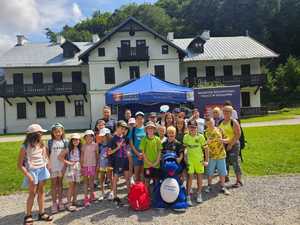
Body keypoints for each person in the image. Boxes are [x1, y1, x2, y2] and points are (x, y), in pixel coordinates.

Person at [18, 124, 53, 225]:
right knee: (32, 193)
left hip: (42, 170)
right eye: (40, 133)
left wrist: (48, 166)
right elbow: (20, 165)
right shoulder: (24, 147)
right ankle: (28, 215)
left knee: (41, 192)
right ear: (34, 135)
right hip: (32, 172)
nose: (42, 134)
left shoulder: (42, 144)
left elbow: (45, 157)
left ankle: (41, 213)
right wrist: (28, 175)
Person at [183, 119, 209, 206]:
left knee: (199, 177)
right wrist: (185, 157)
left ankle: (199, 193)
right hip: (190, 161)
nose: (192, 129)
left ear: (197, 128)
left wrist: (206, 160)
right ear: (188, 128)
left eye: (194, 127)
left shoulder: (201, 137)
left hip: (199, 161)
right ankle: (188, 196)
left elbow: (206, 148)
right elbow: (185, 148)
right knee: (190, 178)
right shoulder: (186, 137)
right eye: (190, 127)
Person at [204, 117, 230, 195]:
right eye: (208, 124)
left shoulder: (220, 130)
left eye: (211, 123)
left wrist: (223, 140)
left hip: (221, 154)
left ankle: (223, 186)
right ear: (206, 124)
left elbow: (228, 138)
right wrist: (206, 142)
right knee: (210, 172)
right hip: (211, 156)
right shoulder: (205, 132)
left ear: (214, 122)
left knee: (222, 172)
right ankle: (209, 185)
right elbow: (203, 144)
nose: (210, 125)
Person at [219, 105, 243, 187]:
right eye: (224, 111)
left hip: (234, 145)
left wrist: (231, 144)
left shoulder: (234, 122)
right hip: (224, 145)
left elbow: (238, 134)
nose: (226, 113)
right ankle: (226, 177)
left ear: (231, 113)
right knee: (225, 162)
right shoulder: (221, 122)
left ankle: (239, 181)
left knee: (235, 162)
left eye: (228, 111)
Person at [108, 121, 130, 206]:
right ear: (117, 127)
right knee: (116, 179)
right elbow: (109, 152)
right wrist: (118, 147)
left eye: (124, 128)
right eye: (121, 128)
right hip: (117, 161)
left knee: (127, 178)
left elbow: (127, 148)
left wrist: (127, 152)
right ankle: (115, 197)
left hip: (125, 160)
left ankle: (129, 195)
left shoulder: (125, 138)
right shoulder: (113, 139)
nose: (123, 130)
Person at [58, 133, 82, 211]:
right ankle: (69, 203)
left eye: (78, 139)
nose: (76, 141)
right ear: (71, 141)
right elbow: (60, 157)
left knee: (76, 185)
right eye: (74, 140)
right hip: (71, 168)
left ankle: (74, 201)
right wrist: (69, 163)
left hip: (77, 167)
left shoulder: (79, 149)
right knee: (71, 186)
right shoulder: (68, 149)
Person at [48, 123, 68, 214]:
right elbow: (47, 155)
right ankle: (54, 203)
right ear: (52, 132)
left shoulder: (65, 142)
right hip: (53, 167)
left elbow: (67, 155)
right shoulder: (50, 142)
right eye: (55, 132)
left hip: (61, 167)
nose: (57, 133)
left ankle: (60, 201)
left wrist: (65, 166)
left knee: (60, 184)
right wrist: (48, 166)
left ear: (62, 131)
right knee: (53, 185)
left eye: (59, 131)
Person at [140, 121, 162, 188]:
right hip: (147, 165)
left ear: (154, 130)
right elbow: (143, 152)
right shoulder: (144, 139)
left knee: (156, 180)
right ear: (146, 130)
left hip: (156, 164)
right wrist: (148, 162)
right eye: (148, 128)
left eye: (152, 128)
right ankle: (146, 196)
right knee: (147, 180)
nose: (150, 130)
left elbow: (159, 151)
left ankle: (155, 196)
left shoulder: (157, 139)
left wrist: (156, 162)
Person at [81, 130, 99, 207]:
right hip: (85, 165)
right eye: (87, 137)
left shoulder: (95, 145)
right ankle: (86, 197)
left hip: (93, 165)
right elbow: (81, 156)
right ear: (85, 138)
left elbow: (97, 156)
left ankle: (91, 195)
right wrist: (81, 166)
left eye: (90, 136)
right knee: (85, 182)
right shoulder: (83, 146)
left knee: (91, 181)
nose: (89, 138)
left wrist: (97, 165)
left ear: (93, 137)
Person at [129, 111, 146, 182]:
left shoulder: (146, 129)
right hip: (136, 155)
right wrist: (137, 153)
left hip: (145, 154)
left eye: (141, 118)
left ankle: (142, 190)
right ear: (135, 120)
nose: (140, 120)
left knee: (143, 174)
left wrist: (143, 153)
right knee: (136, 174)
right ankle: (137, 190)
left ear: (143, 119)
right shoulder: (133, 129)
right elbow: (131, 143)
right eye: (138, 118)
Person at [97, 128, 113, 201]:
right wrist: (98, 164)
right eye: (102, 136)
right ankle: (102, 193)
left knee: (110, 177)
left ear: (108, 135)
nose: (102, 137)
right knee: (101, 178)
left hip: (109, 163)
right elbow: (98, 154)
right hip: (102, 164)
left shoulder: (111, 143)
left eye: (104, 136)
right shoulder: (100, 144)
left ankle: (112, 191)